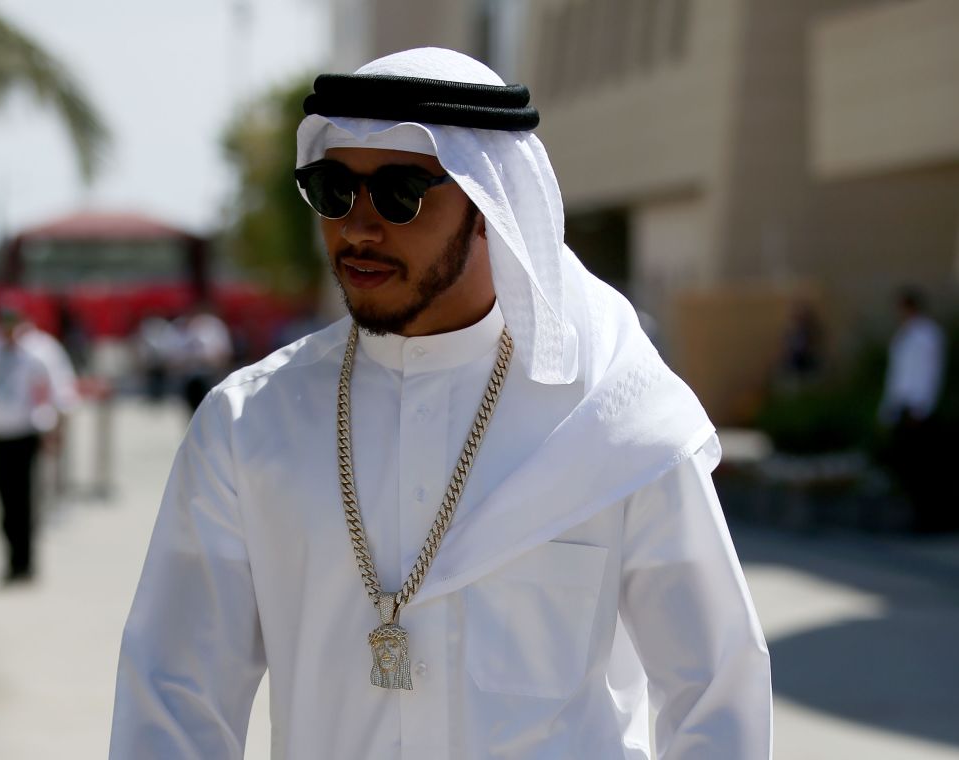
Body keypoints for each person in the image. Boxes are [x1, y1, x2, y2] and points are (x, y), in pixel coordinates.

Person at [111, 48, 772, 758]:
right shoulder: (247, 427)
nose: (359, 226)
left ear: (491, 203)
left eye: (400, 194)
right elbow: (174, 700)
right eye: (334, 189)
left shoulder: (609, 417)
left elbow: (715, 692)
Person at [0, 303, 59, 583]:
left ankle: (26, 562)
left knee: (26, 500)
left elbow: (51, 394)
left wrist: (51, 429)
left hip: (26, 433)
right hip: (0, 433)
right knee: (4, 499)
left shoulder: (37, 355)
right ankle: (10, 560)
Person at [879, 287, 948, 531]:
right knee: (906, 468)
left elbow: (930, 374)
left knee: (923, 469)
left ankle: (929, 519)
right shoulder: (904, 336)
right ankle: (914, 516)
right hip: (902, 408)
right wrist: (888, 409)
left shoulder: (927, 335)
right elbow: (897, 376)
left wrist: (921, 407)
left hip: (918, 410)